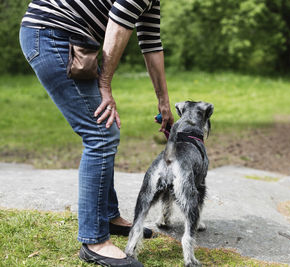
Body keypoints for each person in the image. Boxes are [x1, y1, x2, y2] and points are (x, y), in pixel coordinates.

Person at [19, 0, 174, 266]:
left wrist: (163, 102)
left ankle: (108, 217)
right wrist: (105, 83)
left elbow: (151, 44)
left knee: (104, 129)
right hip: (52, 34)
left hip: (68, 38)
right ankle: (94, 241)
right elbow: (119, 22)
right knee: (100, 134)